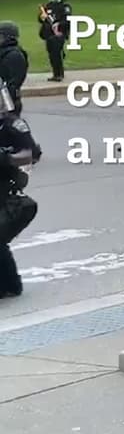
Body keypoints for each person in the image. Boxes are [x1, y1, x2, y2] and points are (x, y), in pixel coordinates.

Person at [0, 83, 40, 298]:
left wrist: (5, 158)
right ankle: (10, 283)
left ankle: (10, 284)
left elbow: (29, 153)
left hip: (7, 191)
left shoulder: (13, 125)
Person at [37, 0, 71, 82]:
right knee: (51, 54)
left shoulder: (65, 7)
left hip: (59, 33)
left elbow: (68, 20)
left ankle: (59, 74)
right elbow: (41, 19)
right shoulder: (48, 6)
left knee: (56, 54)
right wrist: (41, 17)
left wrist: (59, 24)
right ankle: (56, 73)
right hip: (48, 34)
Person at [0, 21, 29, 118]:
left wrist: (8, 108)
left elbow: (14, 83)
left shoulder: (15, 55)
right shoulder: (3, 52)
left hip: (7, 103)